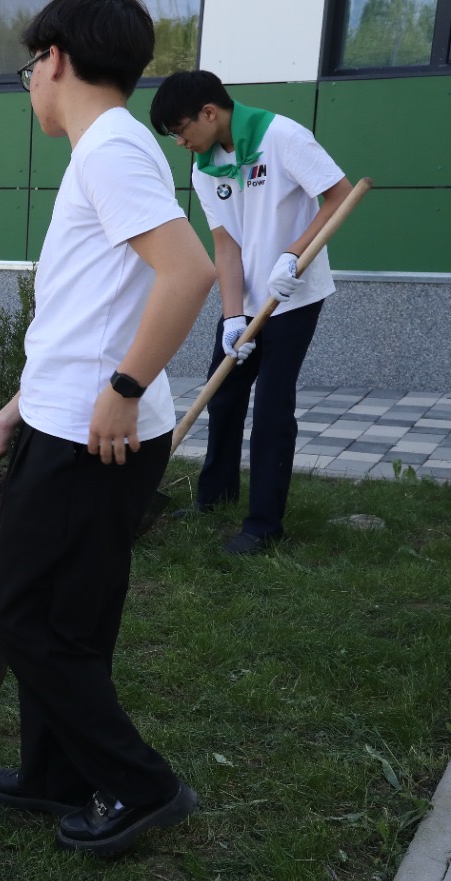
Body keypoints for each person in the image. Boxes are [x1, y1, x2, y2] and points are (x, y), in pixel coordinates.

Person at [0, 0, 215, 857]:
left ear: (57, 59)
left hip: (94, 435)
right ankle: (55, 773)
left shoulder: (110, 147)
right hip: (65, 421)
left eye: (30, 65)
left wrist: (124, 386)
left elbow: (190, 272)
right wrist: (16, 410)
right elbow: (93, 307)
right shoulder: (107, 149)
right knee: (69, 620)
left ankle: (140, 785)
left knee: (26, 617)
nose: (29, 82)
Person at [150, 70, 352, 555]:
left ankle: (263, 525)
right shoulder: (203, 166)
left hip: (293, 293)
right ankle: (214, 496)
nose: (180, 142)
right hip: (247, 299)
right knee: (223, 395)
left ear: (209, 112)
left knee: (272, 409)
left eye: (181, 130)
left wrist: (295, 255)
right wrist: (232, 315)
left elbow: (340, 195)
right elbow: (225, 243)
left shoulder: (282, 136)